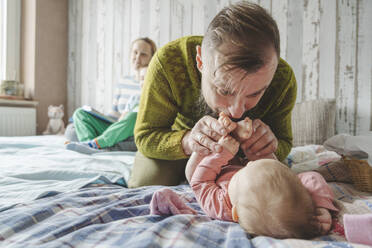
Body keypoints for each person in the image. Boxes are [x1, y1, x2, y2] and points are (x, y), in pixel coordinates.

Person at [129, 2, 297, 187]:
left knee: (274, 192)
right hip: (176, 145)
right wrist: (188, 140)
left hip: (241, 157)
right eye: (224, 90)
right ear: (200, 61)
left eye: (255, 93)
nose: (237, 112)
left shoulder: (283, 79)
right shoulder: (168, 62)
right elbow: (146, 136)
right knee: (145, 184)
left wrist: (267, 144)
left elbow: (284, 142)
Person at [66, 38, 156, 154]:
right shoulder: (124, 81)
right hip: (117, 126)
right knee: (78, 115)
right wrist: (97, 116)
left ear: (152, 58)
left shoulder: (154, 84)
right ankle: (91, 145)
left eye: (143, 54)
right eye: (135, 52)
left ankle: (98, 143)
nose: (138, 57)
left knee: (133, 117)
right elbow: (115, 114)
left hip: (133, 131)